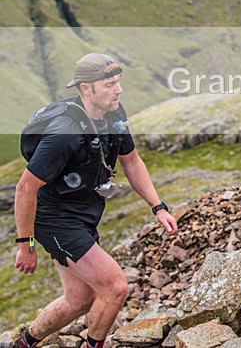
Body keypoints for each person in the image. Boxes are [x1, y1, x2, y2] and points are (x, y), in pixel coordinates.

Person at [7, 53, 178, 348]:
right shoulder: (65, 133)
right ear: (86, 88)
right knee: (115, 288)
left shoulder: (114, 114)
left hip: (84, 213)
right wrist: (26, 245)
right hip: (55, 218)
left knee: (80, 299)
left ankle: (22, 344)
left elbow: (132, 160)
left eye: (118, 82)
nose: (118, 90)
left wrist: (157, 206)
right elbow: (24, 189)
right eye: (109, 84)